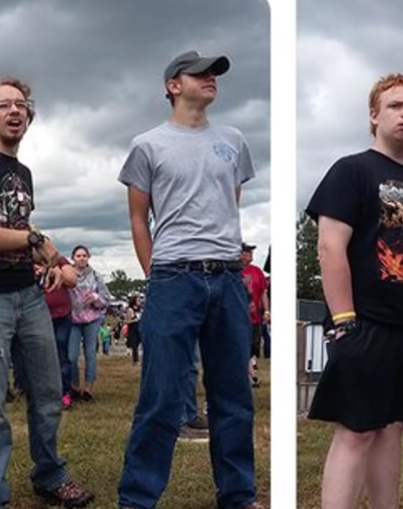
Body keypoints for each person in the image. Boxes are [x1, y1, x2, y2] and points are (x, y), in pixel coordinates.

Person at [116, 51, 261, 509]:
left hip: (227, 277)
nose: (211, 79)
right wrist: (156, 275)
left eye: (215, 73)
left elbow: (229, 203)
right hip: (174, 277)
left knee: (233, 395)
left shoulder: (233, 140)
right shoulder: (147, 144)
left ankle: (238, 496)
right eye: (200, 73)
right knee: (161, 396)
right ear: (173, 85)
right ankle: (137, 499)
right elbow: (139, 220)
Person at [0, 75, 93, 509]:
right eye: (3, 105)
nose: (14, 111)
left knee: (49, 393)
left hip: (27, 294)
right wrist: (37, 242)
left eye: (21, 104)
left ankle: (49, 475)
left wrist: (40, 263)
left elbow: (11, 232)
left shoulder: (22, 172)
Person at [306, 73, 403, 509]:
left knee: (393, 427)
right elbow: (330, 247)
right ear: (373, 115)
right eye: (395, 105)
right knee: (357, 430)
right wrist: (344, 321)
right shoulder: (350, 171)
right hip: (366, 322)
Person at [68, 245, 109, 402]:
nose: (82, 258)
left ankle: (89, 388)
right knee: (72, 355)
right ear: (73, 258)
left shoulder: (96, 277)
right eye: (78, 256)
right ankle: (75, 385)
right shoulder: (68, 274)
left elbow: (106, 300)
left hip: (92, 319)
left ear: (89, 257)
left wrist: (96, 298)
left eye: (84, 255)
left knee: (90, 354)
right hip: (73, 319)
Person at [42, 261, 78, 409]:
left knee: (61, 353)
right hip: (38, 315)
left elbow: (72, 280)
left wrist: (52, 271)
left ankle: (65, 392)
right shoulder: (26, 262)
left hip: (62, 315)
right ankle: (45, 394)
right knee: (40, 355)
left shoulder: (60, 260)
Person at [240, 243, 271, 387]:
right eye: (247, 252)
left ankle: (249, 375)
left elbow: (264, 293)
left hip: (255, 318)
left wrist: (267, 311)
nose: (251, 255)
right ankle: (249, 377)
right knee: (242, 347)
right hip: (238, 315)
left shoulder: (257, 272)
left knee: (252, 348)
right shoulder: (234, 271)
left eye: (251, 252)